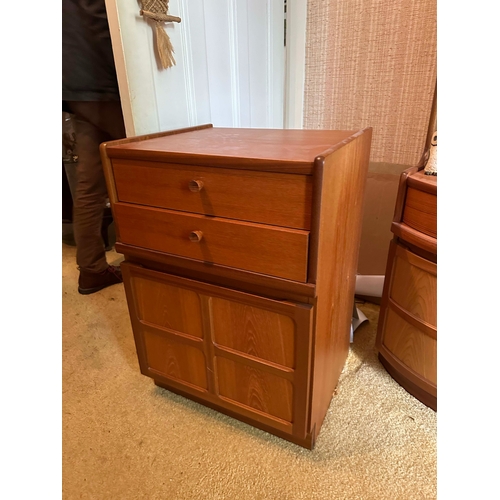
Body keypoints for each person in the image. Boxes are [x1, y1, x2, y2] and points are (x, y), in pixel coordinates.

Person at [62, 0, 126, 294]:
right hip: (113, 84)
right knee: (146, 173)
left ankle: (91, 271)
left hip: (76, 87)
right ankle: (154, 261)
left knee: (89, 187)